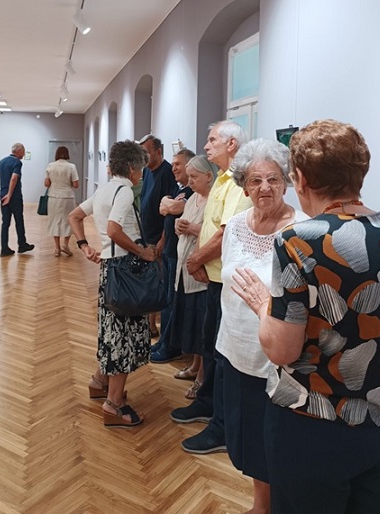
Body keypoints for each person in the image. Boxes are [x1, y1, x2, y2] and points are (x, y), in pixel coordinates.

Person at [233, 119, 380, 513]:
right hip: (379, 421)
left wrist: (263, 305)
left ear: (299, 179)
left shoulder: (299, 240)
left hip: (312, 423)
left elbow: (282, 350)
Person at [216, 139, 308, 514]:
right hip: (234, 348)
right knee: (248, 438)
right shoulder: (236, 225)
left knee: (279, 442)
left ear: (286, 182)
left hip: (278, 359)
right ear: (244, 186)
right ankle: (261, 505)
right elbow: (226, 280)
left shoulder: (303, 230)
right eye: (255, 180)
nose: (265, 188)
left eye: (273, 179)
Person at [170, 120, 251, 456]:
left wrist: (195, 260)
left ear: (231, 144)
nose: (206, 146)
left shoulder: (239, 182)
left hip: (226, 281)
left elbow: (226, 232)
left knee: (223, 355)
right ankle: (207, 403)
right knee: (209, 347)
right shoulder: (221, 178)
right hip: (212, 278)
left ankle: (222, 426)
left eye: (212, 139)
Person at [68, 140, 156, 428]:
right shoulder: (125, 191)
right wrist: (142, 252)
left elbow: (74, 216)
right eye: (140, 169)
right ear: (131, 168)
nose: (141, 174)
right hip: (125, 269)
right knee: (124, 335)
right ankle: (114, 403)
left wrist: (84, 246)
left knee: (111, 327)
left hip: (110, 268)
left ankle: (99, 381)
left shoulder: (104, 189)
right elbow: (114, 230)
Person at [170, 155, 218, 399]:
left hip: (201, 274)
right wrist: (179, 226)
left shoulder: (215, 201)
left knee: (202, 328)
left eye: (194, 177)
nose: (189, 182)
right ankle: (195, 365)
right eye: (188, 177)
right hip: (184, 270)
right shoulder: (192, 199)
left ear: (209, 176)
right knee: (192, 324)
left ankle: (202, 377)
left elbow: (215, 233)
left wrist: (190, 228)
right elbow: (182, 225)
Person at [151, 148, 196, 363]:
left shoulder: (192, 193)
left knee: (173, 301)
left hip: (181, 254)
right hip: (170, 251)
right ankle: (164, 340)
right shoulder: (179, 189)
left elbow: (174, 207)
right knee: (167, 299)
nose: (173, 168)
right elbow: (163, 208)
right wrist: (169, 206)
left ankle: (171, 345)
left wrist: (169, 205)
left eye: (178, 164)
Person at [138, 134, 177, 338]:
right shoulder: (147, 171)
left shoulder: (167, 173)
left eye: (146, 152)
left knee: (156, 283)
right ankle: (149, 323)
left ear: (158, 152)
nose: (143, 157)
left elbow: (170, 211)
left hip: (158, 238)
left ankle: (153, 326)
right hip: (146, 235)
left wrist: (163, 238)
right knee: (148, 282)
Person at [0, 143, 35, 257]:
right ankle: (22, 245)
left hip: (2, 196)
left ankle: (4, 248)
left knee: (5, 222)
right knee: (19, 220)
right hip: (14, 197)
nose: (23, 154)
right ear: (18, 151)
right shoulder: (17, 162)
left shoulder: (2, 161)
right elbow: (14, 178)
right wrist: (9, 195)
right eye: (23, 152)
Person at [44, 146, 80, 256]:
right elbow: (76, 184)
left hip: (53, 197)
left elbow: (46, 184)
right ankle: (65, 244)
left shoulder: (50, 166)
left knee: (55, 221)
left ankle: (57, 248)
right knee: (68, 221)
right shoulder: (71, 167)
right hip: (67, 197)